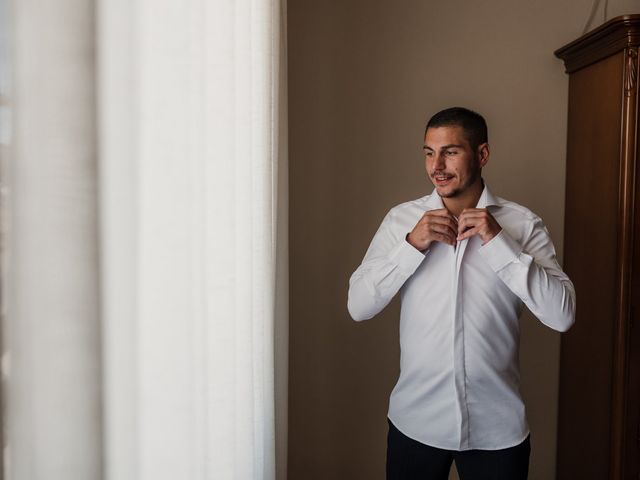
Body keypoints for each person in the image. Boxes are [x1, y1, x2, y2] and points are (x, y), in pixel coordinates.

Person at [347, 107, 575, 480]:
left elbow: (562, 315)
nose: (437, 165)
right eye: (428, 152)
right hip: (415, 423)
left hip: (497, 428)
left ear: (482, 155)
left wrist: (500, 243)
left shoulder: (522, 224)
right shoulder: (401, 221)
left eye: (450, 152)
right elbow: (358, 306)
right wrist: (410, 246)